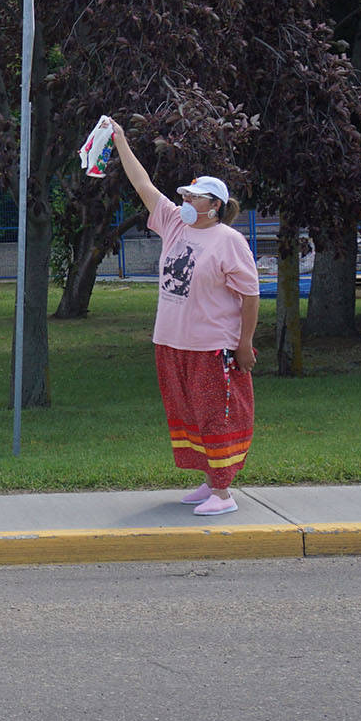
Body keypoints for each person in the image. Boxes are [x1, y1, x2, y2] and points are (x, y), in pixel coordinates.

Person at [102, 116, 261, 515]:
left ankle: (223, 494)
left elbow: (251, 295)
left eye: (195, 198)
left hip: (212, 347)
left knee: (215, 415)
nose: (187, 203)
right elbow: (143, 185)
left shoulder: (229, 241)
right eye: (186, 197)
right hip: (172, 342)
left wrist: (244, 344)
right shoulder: (174, 224)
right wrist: (119, 138)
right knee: (188, 413)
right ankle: (209, 480)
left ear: (215, 206)